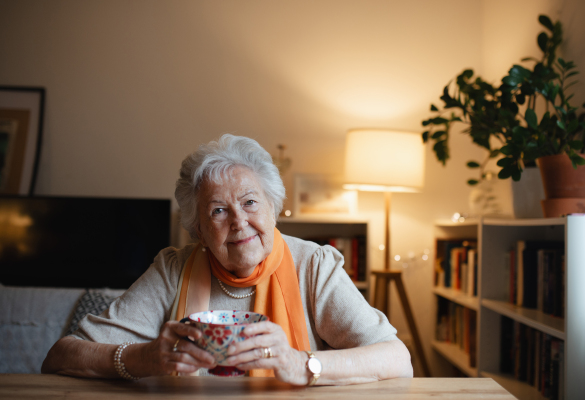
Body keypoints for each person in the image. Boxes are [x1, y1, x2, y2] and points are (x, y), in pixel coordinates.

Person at [42, 134, 413, 385]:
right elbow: (61, 357)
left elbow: (398, 360)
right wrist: (146, 358)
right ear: (199, 230)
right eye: (218, 210)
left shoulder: (313, 265)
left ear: (272, 208)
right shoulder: (173, 268)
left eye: (250, 202)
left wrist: (301, 364)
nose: (239, 222)